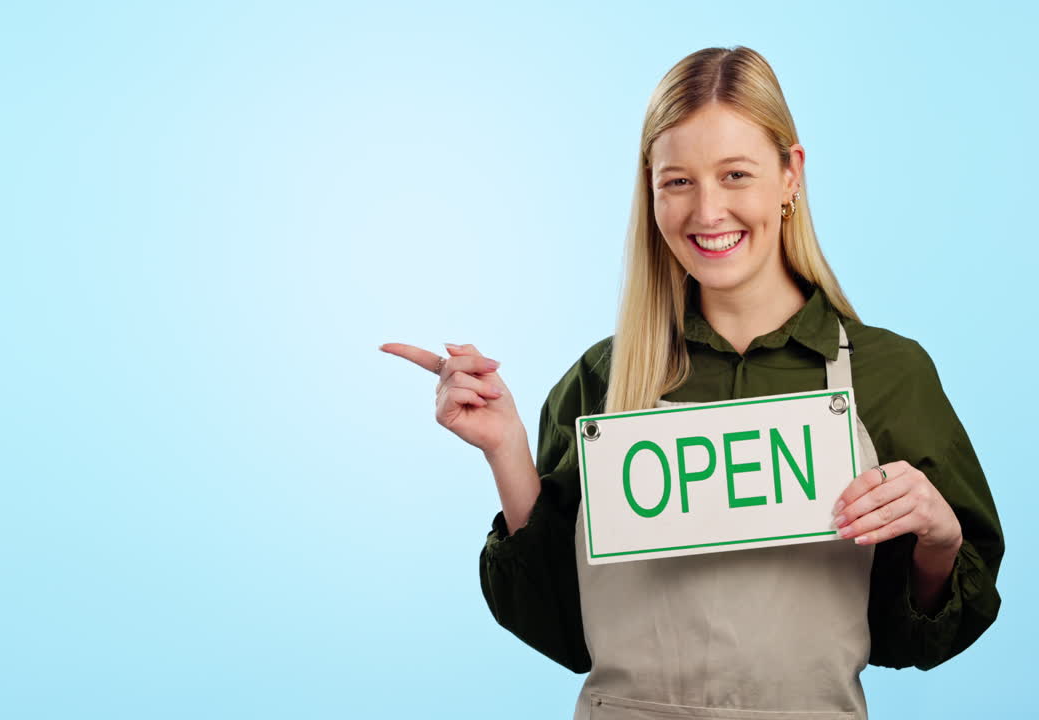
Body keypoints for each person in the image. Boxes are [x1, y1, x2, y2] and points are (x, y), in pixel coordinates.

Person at [379, 46, 1003, 719]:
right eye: (678, 181)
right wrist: (505, 450)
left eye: (735, 174)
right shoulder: (601, 381)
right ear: (649, 189)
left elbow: (915, 638)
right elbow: (563, 630)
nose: (708, 212)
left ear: (790, 175)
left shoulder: (889, 376)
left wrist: (939, 543)